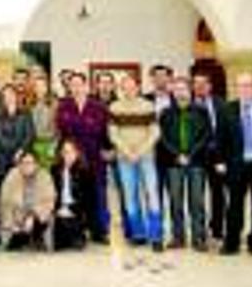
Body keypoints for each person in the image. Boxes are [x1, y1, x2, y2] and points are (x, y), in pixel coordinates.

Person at [108, 75, 164, 251]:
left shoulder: (148, 106)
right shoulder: (115, 107)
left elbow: (155, 132)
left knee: (152, 195)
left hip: (146, 157)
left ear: (138, 88)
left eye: (132, 87)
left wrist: (139, 151)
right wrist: (127, 151)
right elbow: (113, 133)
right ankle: (138, 234)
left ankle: (156, 236)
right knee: (131, 197)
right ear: (121, 89)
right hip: (124, 159)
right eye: (125, 87)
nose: (129, 90)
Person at [56, 72, 111, 243]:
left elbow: (105, 132)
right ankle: (78, 229)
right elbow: (62, 133)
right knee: (77, 194)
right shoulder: (64, 106)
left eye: (80, 84)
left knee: (98, 195)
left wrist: (108, 149)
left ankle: (100, 231)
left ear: (86, 86)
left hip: (95, 156)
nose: (77, 88)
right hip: (73, 159)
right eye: (73, 85)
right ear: (69, 87)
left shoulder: (98, 107)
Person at [160, 77, 211, 251]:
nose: (180, 92)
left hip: (196, 162)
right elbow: (163, 138)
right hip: (173, 163)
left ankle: (199, 238)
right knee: (175, 202)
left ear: (190, 90)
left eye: (183, 89)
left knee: (197, 202)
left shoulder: (201, 111)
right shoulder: (166, 113)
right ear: (172, 92)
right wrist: (178, 155)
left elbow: (206, 135)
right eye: (177, 89)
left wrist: (190, 154)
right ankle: (178, 237)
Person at [192, 73, 229, 241]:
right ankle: (198, 228)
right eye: (196, 83)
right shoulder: (188, 104)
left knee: (218, 193)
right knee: (196, 195)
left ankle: (217, 227)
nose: (199, 87)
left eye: (203, 83)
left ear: (210, 86)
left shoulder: (222, 104)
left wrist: (224, 157)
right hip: (196, 156)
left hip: (217, 156)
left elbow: (228, 131)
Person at [0, 151, 55, 251]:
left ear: (36, 164)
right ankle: (22, 239)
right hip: (18, 219)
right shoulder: (12, 176)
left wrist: (33, 215)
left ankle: (36, 239)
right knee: (14, 245)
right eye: (24, 163)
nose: (27, 166)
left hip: (37, 218)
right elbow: (4, 203)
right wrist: (11, 225)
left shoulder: (45, 176)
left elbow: (50, 201)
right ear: (19, 164)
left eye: (31, 162)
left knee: (43, 221)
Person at [222, 73, 252, 255]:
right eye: (242, 86)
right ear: (236, 88)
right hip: (236, 164)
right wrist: (219, 160)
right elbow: (220, 138)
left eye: (249, 85)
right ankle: (232, 242)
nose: (245, 89)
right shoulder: (227, 109)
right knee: (234, 205)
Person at [50, 140, 95, 251]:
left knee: (76, 243)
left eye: (71, 152)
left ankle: (79, 235)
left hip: (77, 210)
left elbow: (89, 199)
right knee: (57, 245)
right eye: (65, 152)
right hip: (59, 209)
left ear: (77, 153)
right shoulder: (54, 169)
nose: (68, 155)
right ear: (60, 153)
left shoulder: (85, 171)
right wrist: (58, 209)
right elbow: (51, 193)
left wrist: (72, 209)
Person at [0, 85, 35, 179]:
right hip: (2, 159)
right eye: (5, 95)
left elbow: (29, 135)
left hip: (21, 157)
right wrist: (14, 152)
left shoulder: (26, 114)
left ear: (16, 96)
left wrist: (20, 151)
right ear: (2, 99)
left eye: (11, 94)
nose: (9, 97)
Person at [29, 76, 58, 168]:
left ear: (47, 88)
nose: (40, 89)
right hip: (33, 144)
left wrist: (54, 146)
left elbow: (58, 127)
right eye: (37, 86)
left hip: (49, 144)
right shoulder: (29, 104)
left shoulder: (54, 104)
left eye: (42, 86)